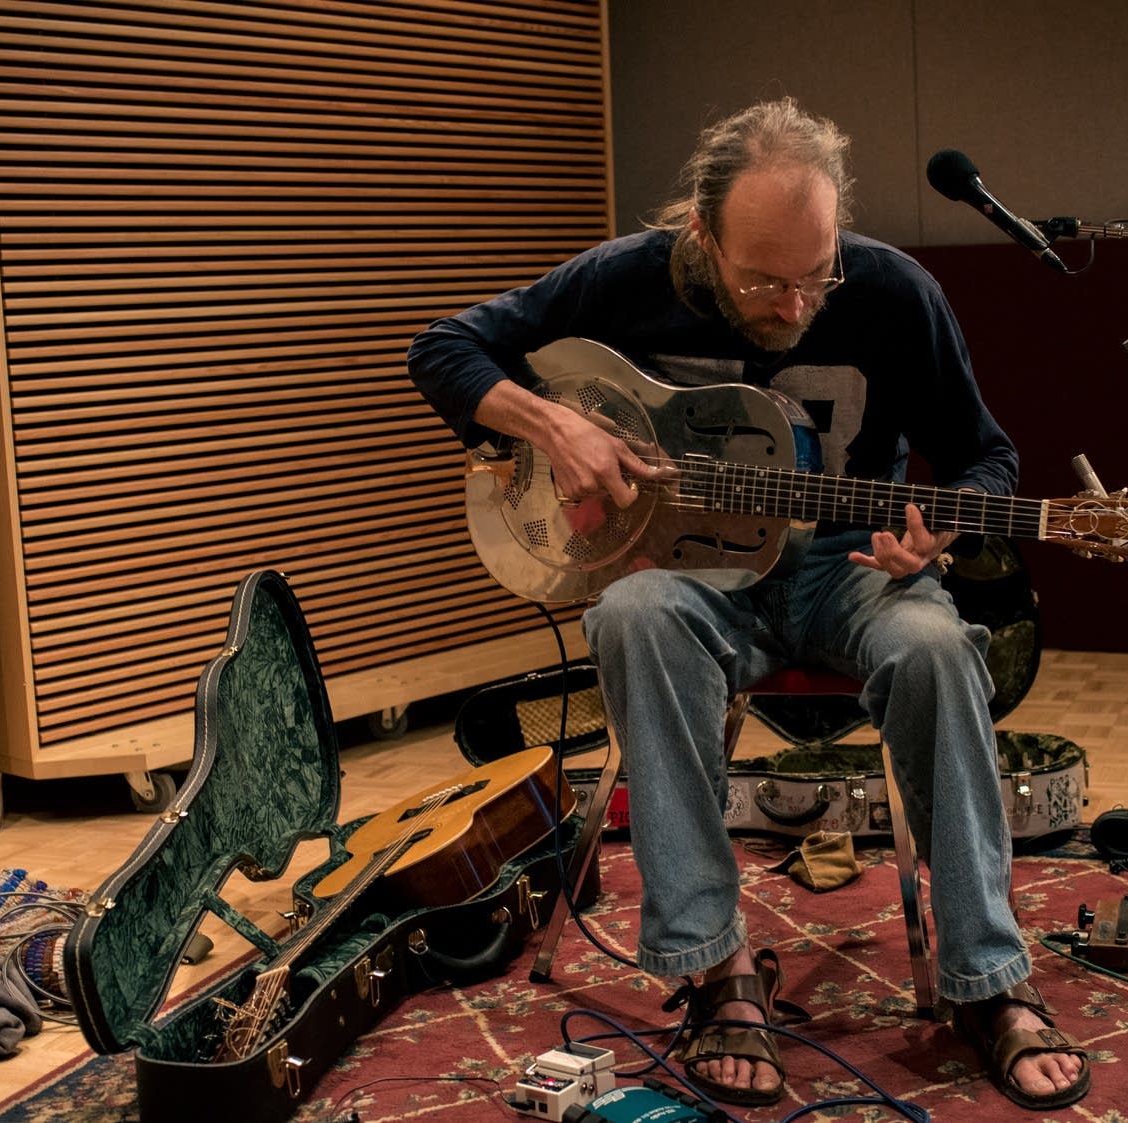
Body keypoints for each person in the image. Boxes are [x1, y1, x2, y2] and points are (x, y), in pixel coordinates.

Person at [406, 98, 1089, 1111]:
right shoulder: (621, 277)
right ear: (700, 237)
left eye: (813, 276)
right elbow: (444, 348)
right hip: (685, 580)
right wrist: (554, 427)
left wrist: (942, 530)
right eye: (761, 279)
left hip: (851, 566)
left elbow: (986, 456)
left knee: (937, 650)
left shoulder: (894, 292)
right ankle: (715, 969)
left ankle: (986, 980)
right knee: (634, 615)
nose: (791, 302)